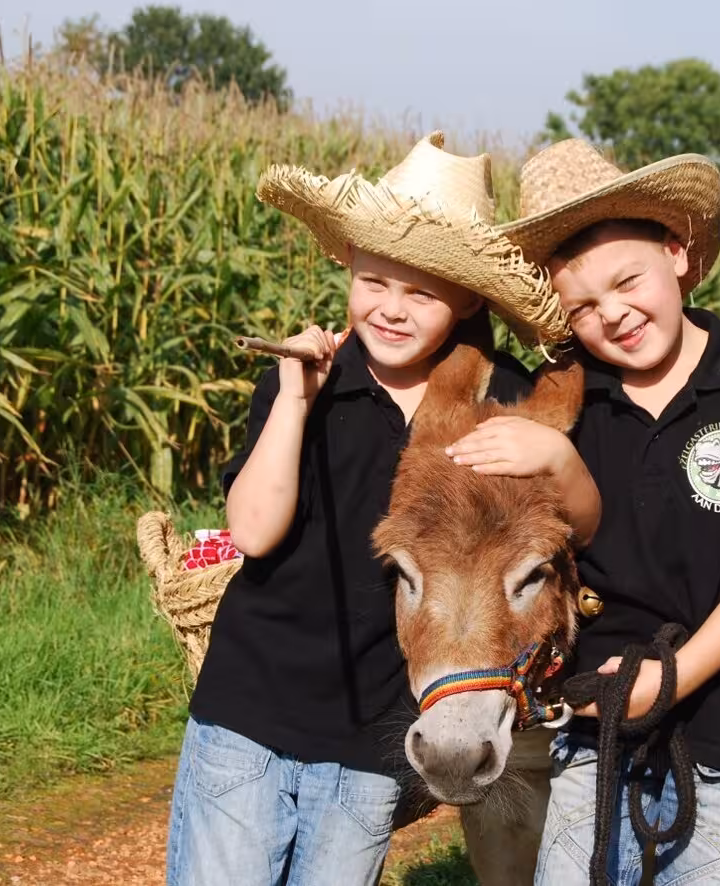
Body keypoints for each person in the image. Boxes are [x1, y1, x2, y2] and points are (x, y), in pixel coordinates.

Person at [166, 131, 599, 886]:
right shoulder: (306, 381)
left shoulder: (504, 403)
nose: (392, 310)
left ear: (467, 299)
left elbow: (566, 533)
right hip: (247, 716)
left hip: (373, 739)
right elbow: (252, 531)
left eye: (424, 292)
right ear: (349, 269)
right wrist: (295, 401)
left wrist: (558, 458)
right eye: (375, 282)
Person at [449, 137, 720, 884]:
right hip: (594, 728)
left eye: (629, 281)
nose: (614, 315)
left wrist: (675, 676)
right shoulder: (567, 400)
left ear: (677, 253)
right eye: (583, 306)